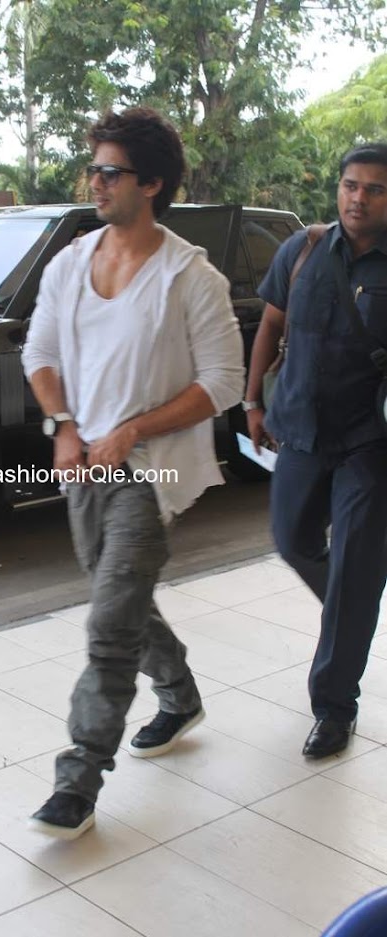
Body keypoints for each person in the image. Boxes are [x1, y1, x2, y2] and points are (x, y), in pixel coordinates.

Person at [22, 107, 245, 840]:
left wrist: (130, 429)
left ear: (150, 183)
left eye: (108, 172)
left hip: (151, 474)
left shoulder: (189, 276)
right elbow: (40, 355)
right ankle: (178, 693)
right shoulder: (68, 262)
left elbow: (222, 382)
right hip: (83, 467)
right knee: (119, 596)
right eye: (93, 169)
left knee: (109, 621)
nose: (95, 182)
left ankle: (78, 779)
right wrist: (63, 424)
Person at [244, 141, 387, 759]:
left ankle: (334, 707)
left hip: (369, 441)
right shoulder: (301, 250)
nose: (359, 198)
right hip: (298, 427)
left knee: (354, 570)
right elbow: (271, 326)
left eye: (375, 189)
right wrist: (252, 402)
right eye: (351, 185)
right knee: (291, 539)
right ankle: (355, 601)